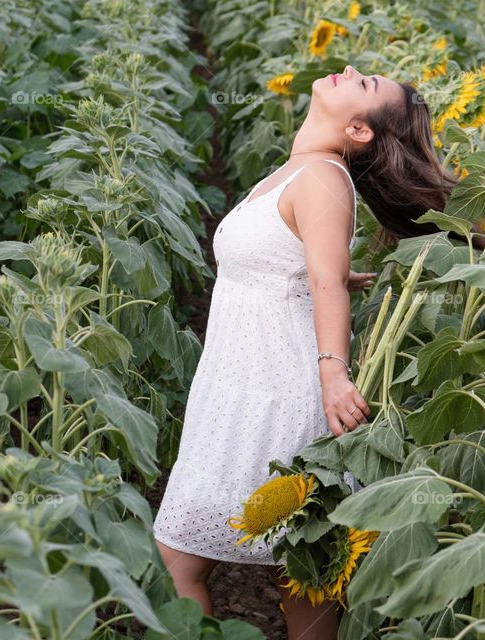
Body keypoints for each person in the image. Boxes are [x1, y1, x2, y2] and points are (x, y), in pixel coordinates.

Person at [152, 65, 461, 639]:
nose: (350, 70)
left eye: (364, 84)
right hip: (236, 388)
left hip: (276, 393)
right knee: (295, 573)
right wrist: (324, 279)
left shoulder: (321, 176)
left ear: (360, 130)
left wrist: (333, 372)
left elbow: (325, 281)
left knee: (216, 566)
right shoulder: (301, 169)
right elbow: (308, 269)